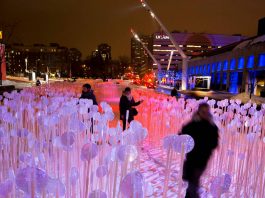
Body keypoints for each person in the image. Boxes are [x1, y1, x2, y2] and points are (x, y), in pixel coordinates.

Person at [181, 103, 219, 198]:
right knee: (192, 182)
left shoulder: (212, 127)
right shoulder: (192, 125)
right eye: (203, 112)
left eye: (207, 112)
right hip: (191, 158)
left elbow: (214, 143)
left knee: (193, 182)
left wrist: (207, 147)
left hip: (202, 159)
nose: (205, 114)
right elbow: (182, 135)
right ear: (199, 112)